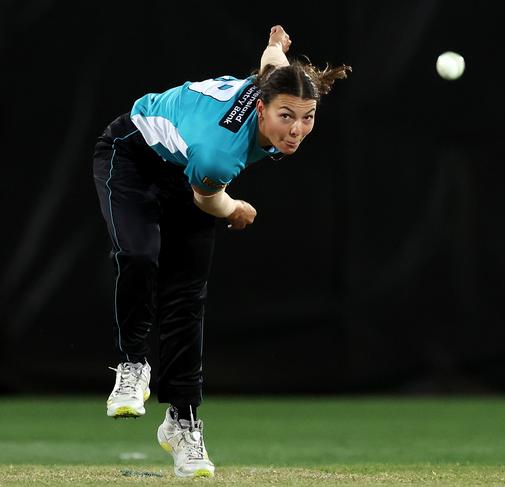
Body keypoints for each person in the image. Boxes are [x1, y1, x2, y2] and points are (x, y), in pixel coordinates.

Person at [92, 25, 350, 478]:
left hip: (185, 169)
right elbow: (208, 198)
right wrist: (236, 208)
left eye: (307, 117)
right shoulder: (219, 153)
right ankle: (133, 364)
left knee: (186, 299)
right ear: (263, 107)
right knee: (139, 255)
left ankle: (182, 423)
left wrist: (275, 47)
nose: (297, 130)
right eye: (286, 116)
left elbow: (273, 66)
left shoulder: (272, 85)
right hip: (134, 154)